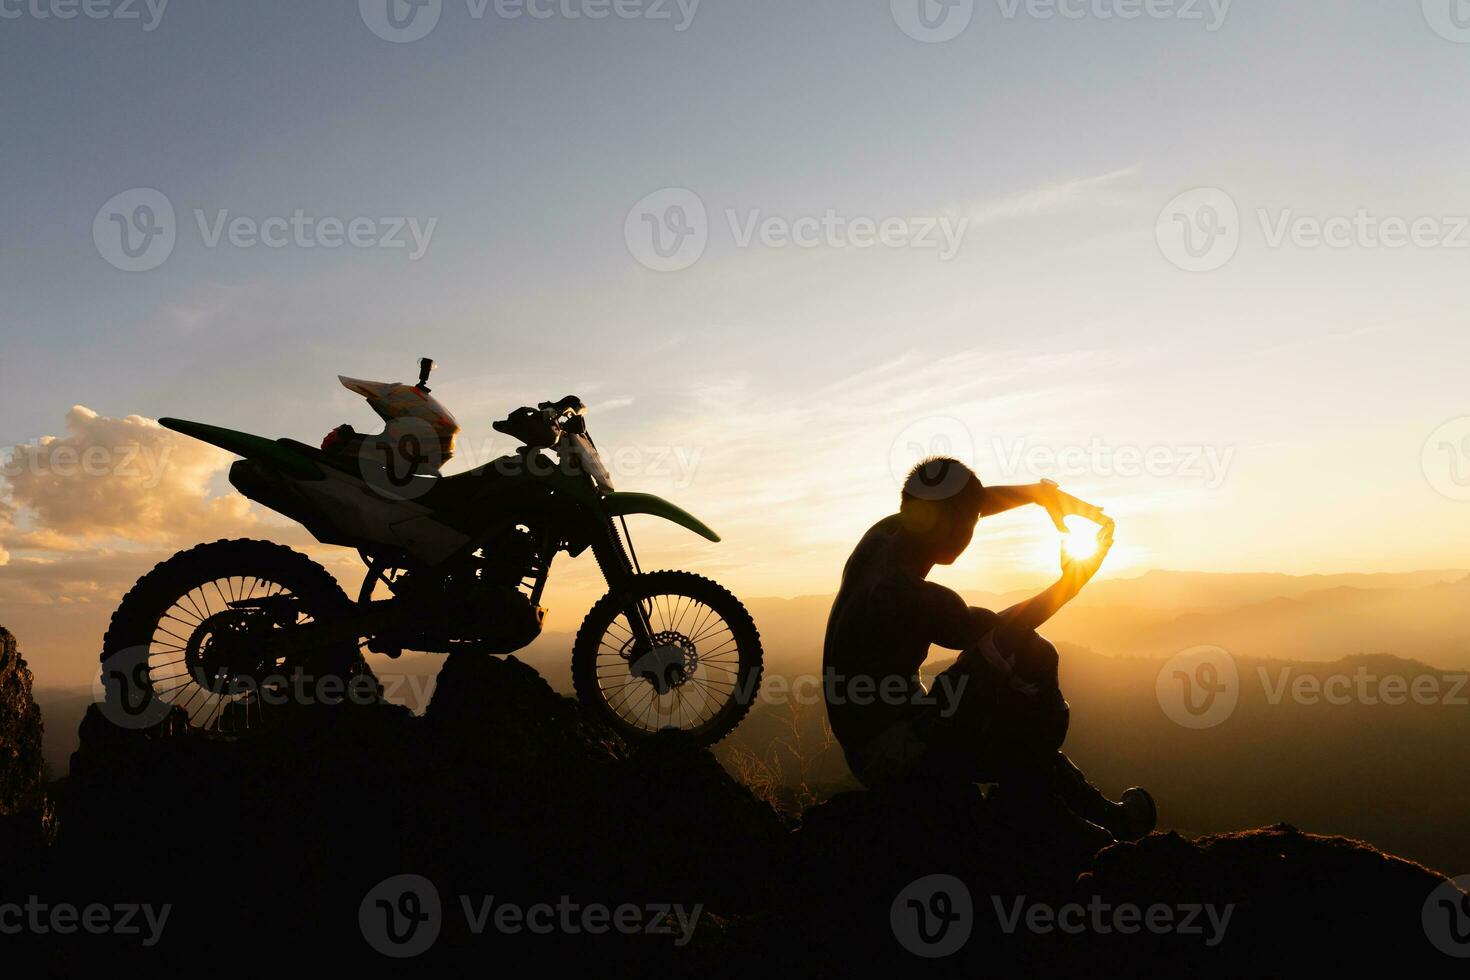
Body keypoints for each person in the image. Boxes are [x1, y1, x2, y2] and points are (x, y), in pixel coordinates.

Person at [822, 456, 1155, 848]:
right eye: (970, 523)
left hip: (878, 722)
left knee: (1003, 671)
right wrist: (1071, 582)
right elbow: (1000, 632)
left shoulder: (881, 537)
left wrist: (1039, 495)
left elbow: (971, 504)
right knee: (1013, 657)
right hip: (886, 752)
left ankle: (1099, 815)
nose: (973, 530)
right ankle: (1068, 821)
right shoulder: (907, 597)